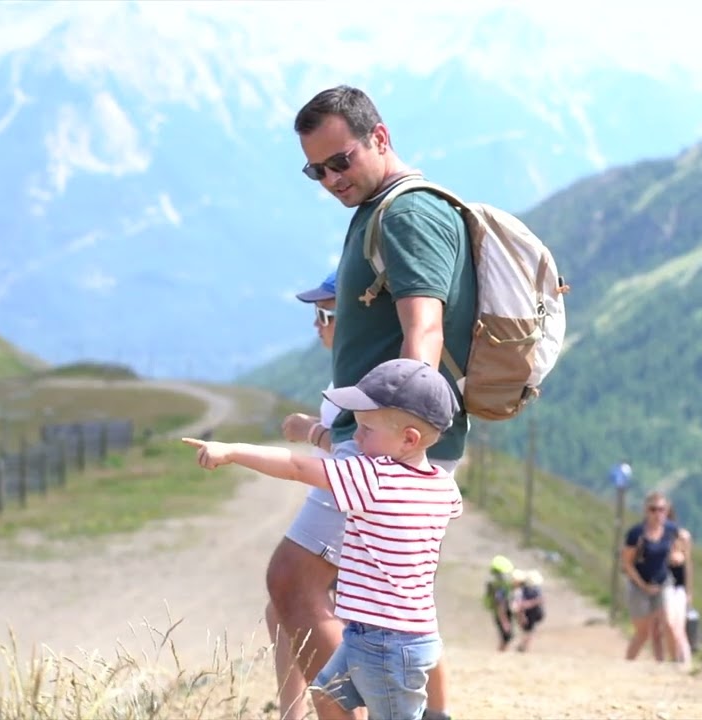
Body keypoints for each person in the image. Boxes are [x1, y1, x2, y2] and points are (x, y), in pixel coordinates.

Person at [293, 84, 476, 720]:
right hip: (383, 436)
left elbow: (424, 329)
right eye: (316, 169)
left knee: (294, 583)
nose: (330, 178)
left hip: (385, 442)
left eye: (340, 160)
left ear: (381, 137)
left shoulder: (406, 214)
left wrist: (398, 447)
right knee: (399, 604)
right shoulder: (378, 210)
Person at [183, 358, 463, 720]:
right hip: (394, 636)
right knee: (328, 693)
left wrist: (233, 451)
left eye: (365, 429)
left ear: (408, 439)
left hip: (387, 644)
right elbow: (446, 514)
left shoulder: (373, 476)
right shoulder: (443, 486)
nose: (354, 438)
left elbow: (296, 467)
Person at [264, 270, 343, 720]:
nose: (317, 325)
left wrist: (310, 431)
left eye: (325, 314)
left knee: (295, 594)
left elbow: (362, 451)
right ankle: (291, 712)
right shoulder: (351, 370)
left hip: (346, 501)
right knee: (284, 607)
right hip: (342, 498)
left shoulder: (365, 370)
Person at [621, 491, 679, 662]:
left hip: (663, 582)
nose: (657, 514)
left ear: (667, 510)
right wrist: (643, 585)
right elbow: (627, 563)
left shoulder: (670, 530)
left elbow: (679, 546)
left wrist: (677, 556)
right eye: (653, 510)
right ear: (646, 511)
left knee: (668, 623)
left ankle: (674, 664)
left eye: (661, 509)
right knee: (643, 632)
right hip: (640, 584)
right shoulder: (636, 534)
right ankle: (628, 663)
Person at [662, 506, 694, 665]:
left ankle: (684, 660)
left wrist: (689, 590)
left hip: (679, 587)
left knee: (679, 624)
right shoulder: (656, 538)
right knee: (669, 622)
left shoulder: (683, 537)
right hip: (664, 585)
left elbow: (688, 564)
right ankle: (675, 657)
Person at [485, 555, 516, 652]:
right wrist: (505, 621)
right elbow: (500, 605)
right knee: (506, 635)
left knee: (505, 636)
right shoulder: (500, 587)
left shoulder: (495, 584)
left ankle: (502, 652)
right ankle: (502, 652)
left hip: (499, 613)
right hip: (502, 613)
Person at [514, 569, 546, 653]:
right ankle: (524, 647)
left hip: (531, 613)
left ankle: (524, 647)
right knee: (529, 631)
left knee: (528, 631)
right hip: (530, 613)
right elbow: (522, 604)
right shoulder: (530, 591)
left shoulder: (526, 590)